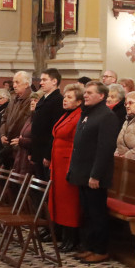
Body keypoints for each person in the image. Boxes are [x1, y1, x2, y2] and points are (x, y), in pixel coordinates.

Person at [68, 81, 121, 263]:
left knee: (97, 213)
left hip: (95, 175)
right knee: (88, 213)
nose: (86, 95)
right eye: (85, 92)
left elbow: (104, 148)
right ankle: (89, 246)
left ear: (101, 96)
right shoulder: (88, 113)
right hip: (83, 172)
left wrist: (95, 175)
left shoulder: (107, 116)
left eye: (90, 93)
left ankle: (100, 249)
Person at [51, 84, 84, 252]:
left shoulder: (79, 116)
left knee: (69, 204)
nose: (65, 99)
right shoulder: (66, 114)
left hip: (68, 164)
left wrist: (71, 166)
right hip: (57, 164)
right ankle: (62, 235)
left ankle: (71, 239)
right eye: (65, 96)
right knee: (60, 201)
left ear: (79, 102)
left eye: (70, 97)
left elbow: (76, 144)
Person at [30, 67, 63, 178]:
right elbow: (36, 126)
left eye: (44, 80)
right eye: (41, 80)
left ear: (54, 81)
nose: (41, 83)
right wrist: (32, 151)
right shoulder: (44, 99)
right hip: (38, 149)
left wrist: (48, 155)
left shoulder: (58, 100)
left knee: (44, 184)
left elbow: (54, 130)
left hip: (45, 151)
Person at [0, 71, 33, 168]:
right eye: (13, 82)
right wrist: (2, 135)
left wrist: (14, 138)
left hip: (19, 146)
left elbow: (24, 123)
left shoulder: (32, 99)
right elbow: (4, 118)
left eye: (17, 82)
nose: (14, 85)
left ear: (26, 84)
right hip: (8, 144)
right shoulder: (13, 98)